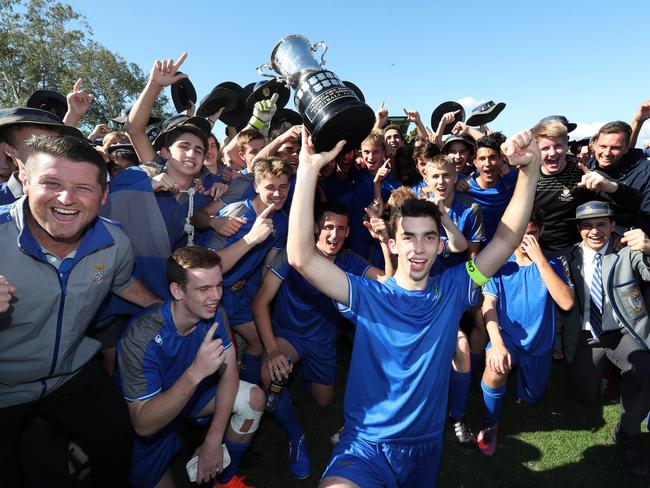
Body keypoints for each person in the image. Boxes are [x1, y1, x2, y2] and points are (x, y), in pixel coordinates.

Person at [287, 125, 541, 487]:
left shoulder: (455, 287)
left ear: (441, 247)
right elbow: (300, 257)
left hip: (426, 449)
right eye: (408, 237)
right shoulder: (368, 294)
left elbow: (506, 237)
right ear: (392, 243)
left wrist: (529, 171)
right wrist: (308, 170)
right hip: (365, 447)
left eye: (428, 238)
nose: (418, 248)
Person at [0, 135, 161, 487]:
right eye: (51, 183)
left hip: (71, 373)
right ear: (25, 181)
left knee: (116, 440)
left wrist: (166, 309)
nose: (66, 198)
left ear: (104, 197)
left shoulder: (115, 241)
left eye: (83, 188)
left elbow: (122, 283)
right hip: (4, 389)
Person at [251, 201, 391, 479]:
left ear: (349, 232)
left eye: (341, 228)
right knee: (270, 372)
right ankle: (296, 435)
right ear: (316, 228)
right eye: (328, 226)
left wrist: (385, 241)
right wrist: (271, 350)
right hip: (288, 335)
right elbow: (260, 304)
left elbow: (388, 282)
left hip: (323, 342)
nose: (334, 234)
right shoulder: (295, 254)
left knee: (323, 401)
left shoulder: (349, 259)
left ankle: (297, 371)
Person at [116, 246, 265, 488]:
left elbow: (230, 374)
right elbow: (143, 425)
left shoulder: (216, 314)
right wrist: (196, 372)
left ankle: (224, 481)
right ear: (177, 290)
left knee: (254, 399)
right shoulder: (140, 339)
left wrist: (214, 439)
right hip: (154, 415)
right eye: (204, 288)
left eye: (219, 285)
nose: (216, 296)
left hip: (194, 399)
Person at [560, 201, 650, 479]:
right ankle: (603, 377)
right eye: (587, 225)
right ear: (579, 230)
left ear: (613, 226)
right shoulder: (567, 257)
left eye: (601, 224)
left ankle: (628, 432)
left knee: (643, 369)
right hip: (587, 337)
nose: (595, 231)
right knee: (584, 396)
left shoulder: (628, 253)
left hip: (624, 333)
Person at [477, 208, 574, 455]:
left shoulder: (553, 263)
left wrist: (539, 260)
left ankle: (529, 380)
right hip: (507, 339)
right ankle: (490, 421)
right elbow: (488, 305)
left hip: (539, 345)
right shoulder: (499, 264)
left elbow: (567, 303)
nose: (524, 241)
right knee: (495, 366)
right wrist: (496, 344)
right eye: (520, 234)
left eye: (531, 234)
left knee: (532, 398)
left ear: (541, 232)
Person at [199, 158, 292, 385]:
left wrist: (248, 281)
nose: (278, 194)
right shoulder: (236, 214)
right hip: (207, 295)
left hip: (237, 294)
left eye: (283, 187)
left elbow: (268, 263)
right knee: (215, 355)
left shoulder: (280, 221)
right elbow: (209, 267)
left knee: (258, 342)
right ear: (256, 186)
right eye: (270, 187)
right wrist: (250, 240)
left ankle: (251, 393)